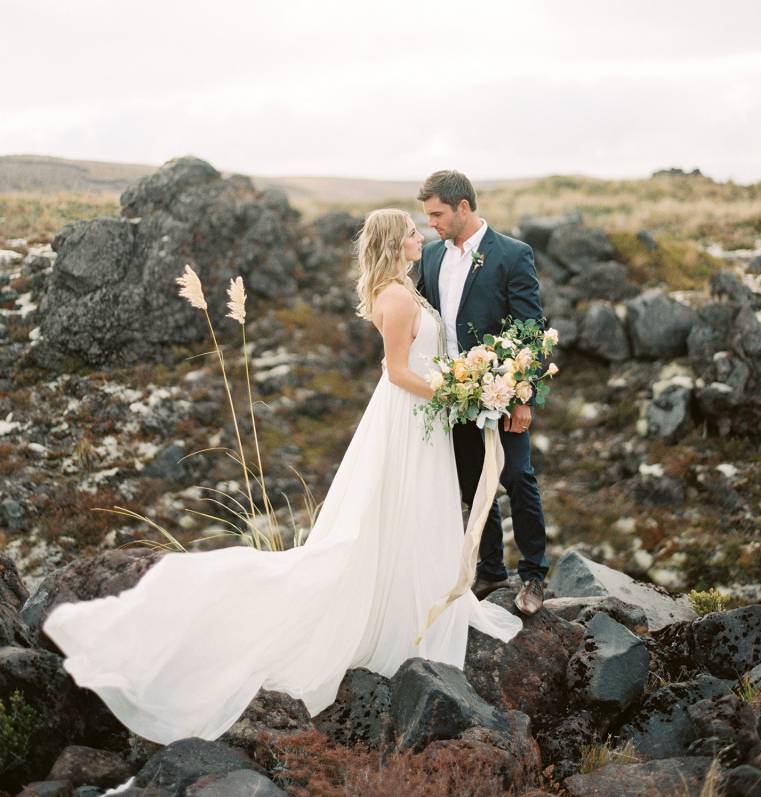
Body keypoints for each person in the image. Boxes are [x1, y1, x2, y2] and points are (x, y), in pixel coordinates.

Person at [42, 208, 523, 746]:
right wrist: (456, 394)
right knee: (391, 513)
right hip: (408, 420)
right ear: (395, 242)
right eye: (413, 231)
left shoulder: (406, 289)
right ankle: (392, 611)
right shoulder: (393, 297)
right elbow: (396, 372)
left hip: (422, 423)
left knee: (418, 513)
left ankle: (421, 596)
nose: (421, 236)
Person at [416, 170, 550, 615]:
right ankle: (491, 571)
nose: (431, 223)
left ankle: (534, 575)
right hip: (453, 394)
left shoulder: (512, 255)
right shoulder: (432, 257)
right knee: (474, 485)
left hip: (501, 390)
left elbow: (530, 328)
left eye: (437, 214)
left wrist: (523, 396)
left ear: (463, 208)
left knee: (517, 478)